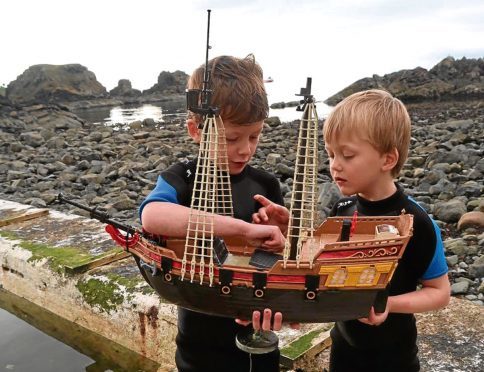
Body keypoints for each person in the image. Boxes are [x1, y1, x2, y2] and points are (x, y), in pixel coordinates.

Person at [139, 54, 287, 372]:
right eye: (232, 138)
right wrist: (241, 230)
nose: (245, 149)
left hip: (259, 340)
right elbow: (151, 216)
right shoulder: (183, 178)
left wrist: (283, 234)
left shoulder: (265, 184)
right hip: (199, 347)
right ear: (196, 130)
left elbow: (281, 258)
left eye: (254, 136)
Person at [323, 89, 451, 372]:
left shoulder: (416, 222)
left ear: (387, 159)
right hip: (343, 350)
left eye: (347, 155)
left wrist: (388, 305)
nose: (335, 165)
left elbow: (439, 293)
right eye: (330, 154)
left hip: (394, 358)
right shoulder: (342, 209)